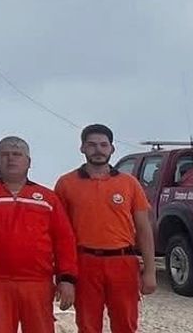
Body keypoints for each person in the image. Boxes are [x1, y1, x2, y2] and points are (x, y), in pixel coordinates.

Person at [0, 136, 78, 333]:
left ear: (28, 161)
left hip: (37, 283)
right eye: (5, 154)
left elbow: (64, 240)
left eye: (17, 154)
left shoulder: (47, 198)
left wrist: (67, 279)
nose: (11, 159)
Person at [54, 124, 156, 333]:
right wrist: (63, 276)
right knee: (88, 325)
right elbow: (59, 233)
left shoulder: (129, 183)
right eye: (92, 145)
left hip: (123, 262)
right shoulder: (66, 184)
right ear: (82, 148)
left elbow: (144, 230)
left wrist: (150, 271)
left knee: (125, 323)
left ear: (112, 148)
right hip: (84, 263)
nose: (98, 150)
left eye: (103, 145)